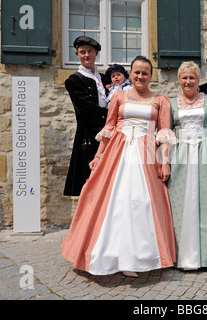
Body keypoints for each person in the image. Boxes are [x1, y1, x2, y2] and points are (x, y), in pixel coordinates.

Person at [61, 56, 176, 277]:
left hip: (146, 154)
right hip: (118, 152)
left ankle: (138, 257)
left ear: (151, 76)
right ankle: (107, 255)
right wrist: (98, 156)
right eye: (136, 72)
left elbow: (163, 133)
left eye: (145, 73)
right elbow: (109, 127)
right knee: (114, 201)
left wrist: (166, 163)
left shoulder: (161, 100)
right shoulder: (119, 97)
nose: (140, 76)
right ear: (130, 74)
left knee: (140, 203)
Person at [167, 61, 207, 270]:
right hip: (180, 155)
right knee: (179, 202)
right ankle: (179, 254)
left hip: (206, 155)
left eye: (192, 77)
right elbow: (167, 132)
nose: (188, 81)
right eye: (184, 78)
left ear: (198, 80)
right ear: (179, 80)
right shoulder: (172, 103)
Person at [63, 36, 109, 196]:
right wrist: (111, 117)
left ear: (96, 53)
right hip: (89, 136)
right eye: (82, 52)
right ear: (77, 54)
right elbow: (86, 110)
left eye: (90, 51)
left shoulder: (104, 78)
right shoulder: (74, 81)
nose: (86, 55)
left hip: (110, 135)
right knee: (89, 185)